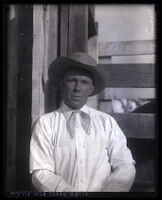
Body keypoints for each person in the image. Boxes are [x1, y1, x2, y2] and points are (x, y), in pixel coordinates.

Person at [29, 52, 136, 192]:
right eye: (72, 80)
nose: (77, 88)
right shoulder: (46, 123)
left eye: (84, 82)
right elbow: (41, 172)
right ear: (62, 85)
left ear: (91, 89)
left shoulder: (106, 122)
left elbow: (125, 165)